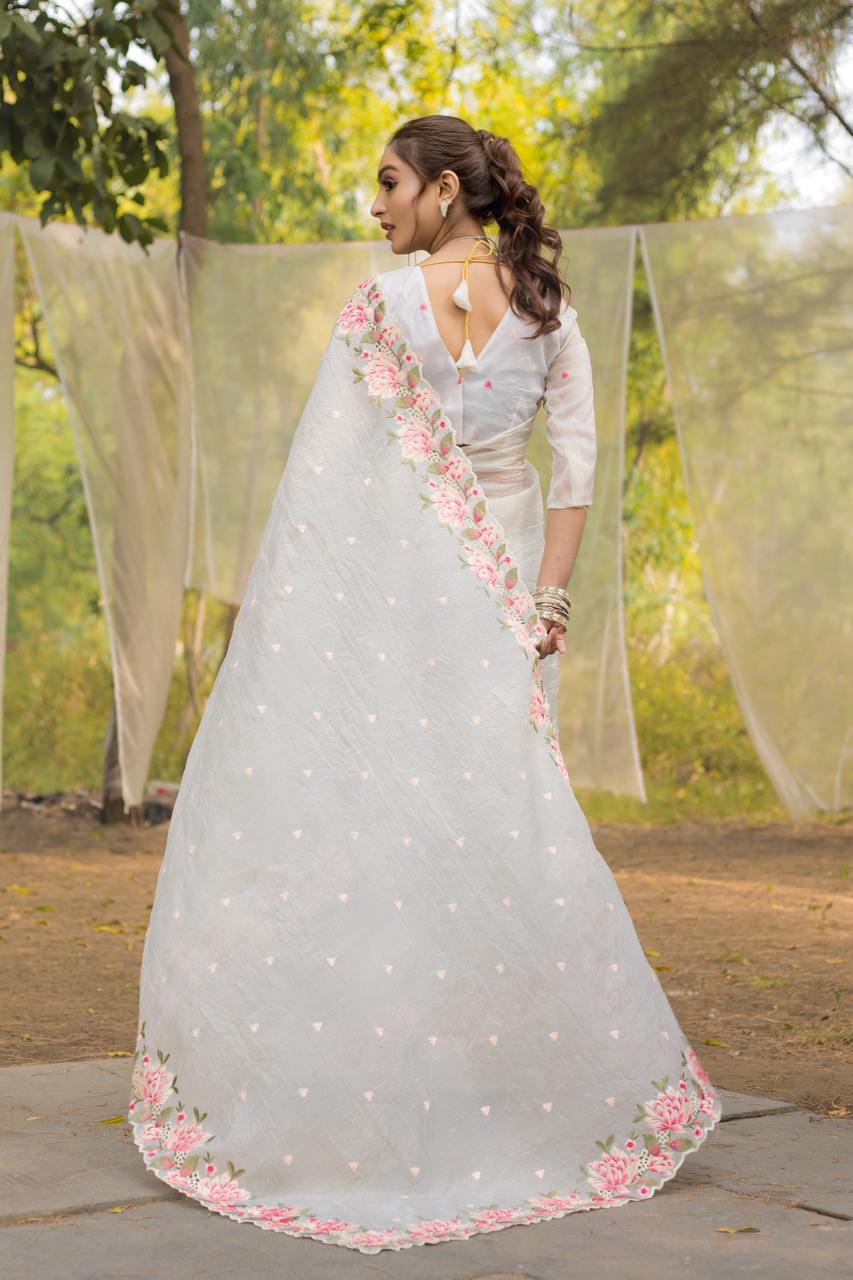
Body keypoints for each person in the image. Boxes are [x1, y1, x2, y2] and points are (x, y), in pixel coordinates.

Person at [127, 115, 719, 1255]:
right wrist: (544, 606)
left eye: (391, 181)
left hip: (395, 593)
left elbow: (325, 494)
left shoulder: (380, 311)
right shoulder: (547, 311)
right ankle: (492, 1086)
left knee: (379, 819)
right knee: (498, 822)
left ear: (446, 191)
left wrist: (311, 627)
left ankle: (380, 1079)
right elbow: (574, 470)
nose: (377, 203)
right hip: (506, 588)